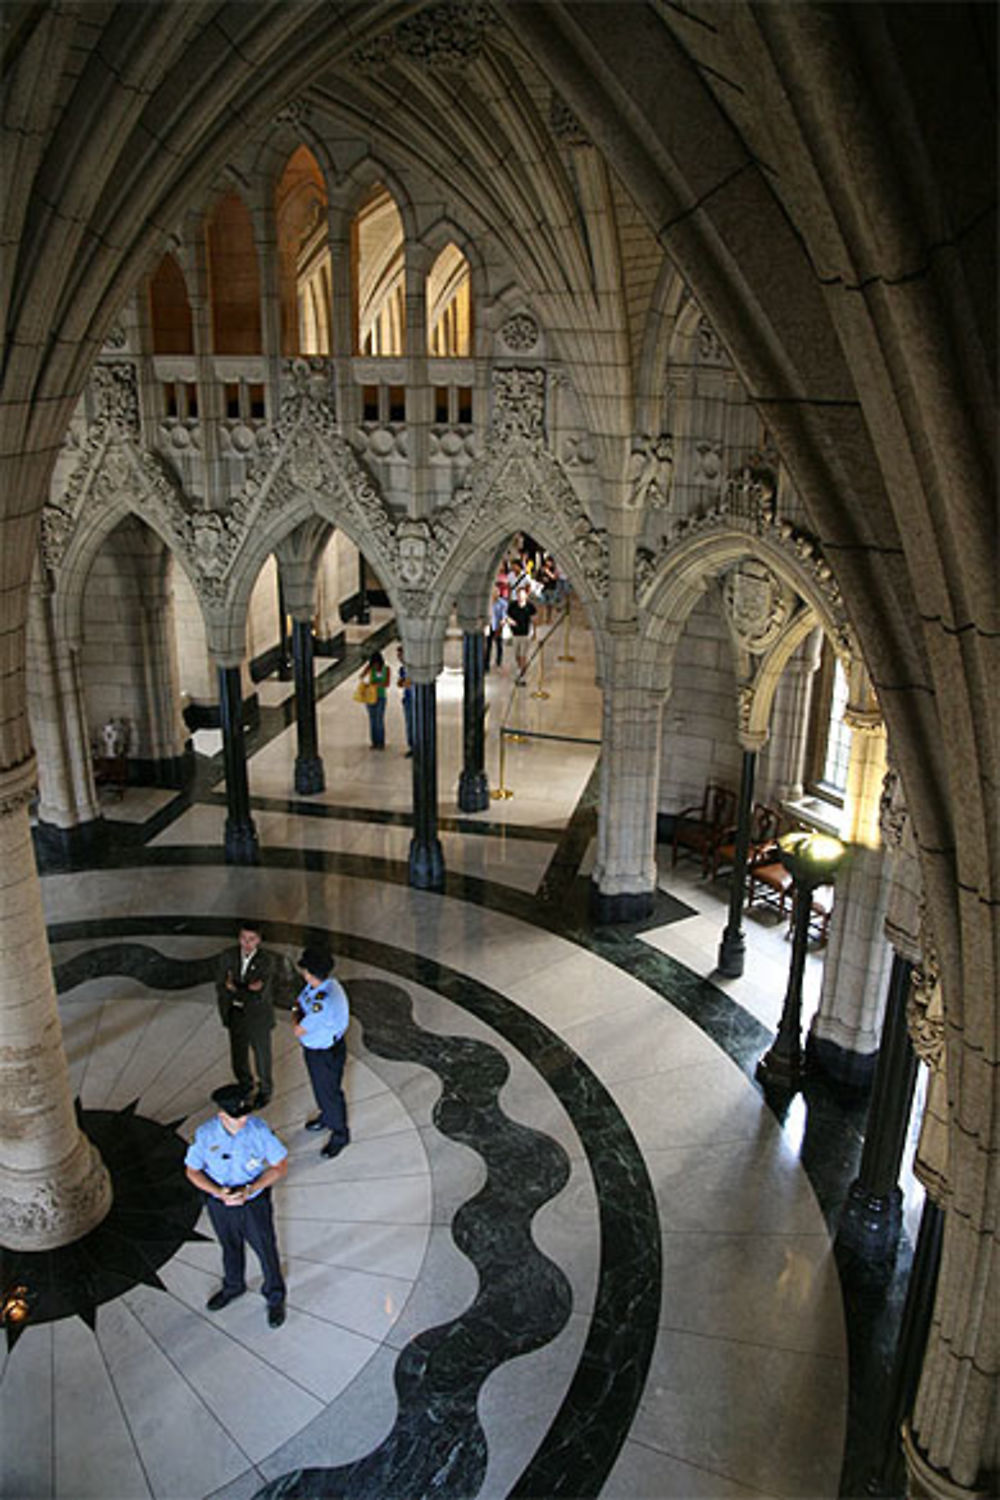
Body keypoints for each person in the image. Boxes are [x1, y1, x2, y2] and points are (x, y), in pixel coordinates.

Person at [184, 1083, 288, 1328]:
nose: (244, 1119)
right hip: (220, 1202)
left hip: (253, 1202)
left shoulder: (259, 1131)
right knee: (229, 1245)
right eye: (237, 1116)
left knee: (265, 1248)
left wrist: (250, 1189)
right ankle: (233, 1286)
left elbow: (280, 1166)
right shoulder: (205, 1135)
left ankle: (275, 1295)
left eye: (245, 1114)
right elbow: (193, 1171)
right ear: (222, 1115)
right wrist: (218, 1193)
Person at [293, 945, 350, 1158]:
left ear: (309, 972)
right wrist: (296, 1012)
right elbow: (298, 1004)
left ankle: (340, 1134)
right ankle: (327, 1117)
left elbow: (298, 1028)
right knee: (322, 1089)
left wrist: (296, 1015)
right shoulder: (319, 987)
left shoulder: (323, 1001)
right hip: (318, 1049)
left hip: (325, 1053)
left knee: (329, 1093)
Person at [215, 922, 277, 1107]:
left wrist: (235, 988)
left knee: (261, 1055)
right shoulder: (228, 956)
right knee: (238, 1054)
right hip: (235, 1012)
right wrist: (242, 989)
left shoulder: (266, 961)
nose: (246, 943)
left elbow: (259, 992)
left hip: (258, 1015)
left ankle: (265, 1090)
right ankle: (245, 1084)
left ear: (258, 940)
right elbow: (221, 984)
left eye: (251, 939)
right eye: (243, 938)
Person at [359, 650, 390, 748]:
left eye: (377, 664)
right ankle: (374, 742)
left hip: (381, 697)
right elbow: (361, 677)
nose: (375, 666)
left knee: (379, 720)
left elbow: (386, 683)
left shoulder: (386, 669)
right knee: (372, 720)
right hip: (370, 697)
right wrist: (367, 670)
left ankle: (381, 742)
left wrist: (376, 684)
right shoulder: (370, 669)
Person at [506, 584, 537, 684]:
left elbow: (534, 619)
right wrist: (510, 623)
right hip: (515, 634)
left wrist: (534, 633)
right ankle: (520, 669)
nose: (520, 597)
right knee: (517, 655)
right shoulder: (512, 605)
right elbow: (507, 617)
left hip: (525, 634)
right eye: (519, 595)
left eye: (522, 595)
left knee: (523, 655)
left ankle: (522, 675)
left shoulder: (530, 606)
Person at [485, 588, 508, 673]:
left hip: (498, 626)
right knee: (488, 646)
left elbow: (504, 616)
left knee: (499, 645)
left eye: (497, 593)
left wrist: (501, 626)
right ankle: (486, 664)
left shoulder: (502, 603)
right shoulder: (488, 603)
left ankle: (498, 661)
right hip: (489, 626)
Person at [396, 645, 414, 756]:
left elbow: (409, 683)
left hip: (415, 699)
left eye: (400, 655)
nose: (399, 658)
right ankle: (412, 746)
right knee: (409, 724)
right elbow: (401, 683)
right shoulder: (402, 669)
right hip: (407, 698)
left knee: (415, 723)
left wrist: (405, 682)